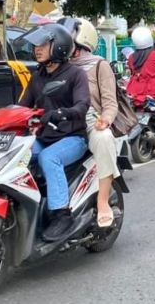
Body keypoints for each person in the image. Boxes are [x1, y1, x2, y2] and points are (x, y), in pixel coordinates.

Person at [19, 23, 90, 243]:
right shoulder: (37, 76)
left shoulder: (75, 74)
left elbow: (82, 105)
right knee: (19, 154)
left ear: (58, 47)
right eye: (35, 45)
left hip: (72, 138)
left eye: (42, 44)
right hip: (44, 137)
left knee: (50, 158)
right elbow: (22, 106)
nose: (36, 49)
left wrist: (61, 113)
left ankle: (62, 214)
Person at [58, 17, 120, 229]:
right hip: (58, 123)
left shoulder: (99, 66)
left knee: (104, 138)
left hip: (89, 122)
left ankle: (102, 200)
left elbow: (111, 103)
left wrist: (106, 119)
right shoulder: (53, 66)